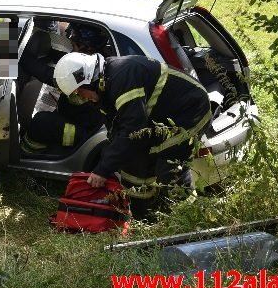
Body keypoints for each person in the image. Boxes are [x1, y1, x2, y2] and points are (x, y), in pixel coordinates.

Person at [53, 53, 211, 218]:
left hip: (190, 110)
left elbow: (132, 128)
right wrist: (109, 159)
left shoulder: (122, 76)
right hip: (158, 119)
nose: (81, 98)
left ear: (87, 80)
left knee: (169, 167)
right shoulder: (104, 85)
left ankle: (188, 218)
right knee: (133, 166)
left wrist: (103, 169)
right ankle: (141, 217)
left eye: (79, 92)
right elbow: (118, 128)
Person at [24, 23, 109, 151]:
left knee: (40, 122)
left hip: (86, 134)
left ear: (86, 46)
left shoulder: (88, 74)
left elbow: (50, 76)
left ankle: (39, 153)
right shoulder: (98, 61)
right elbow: (64, 59)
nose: (71, 47)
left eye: (73, 44)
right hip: (81, 119)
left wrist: (18, 55)